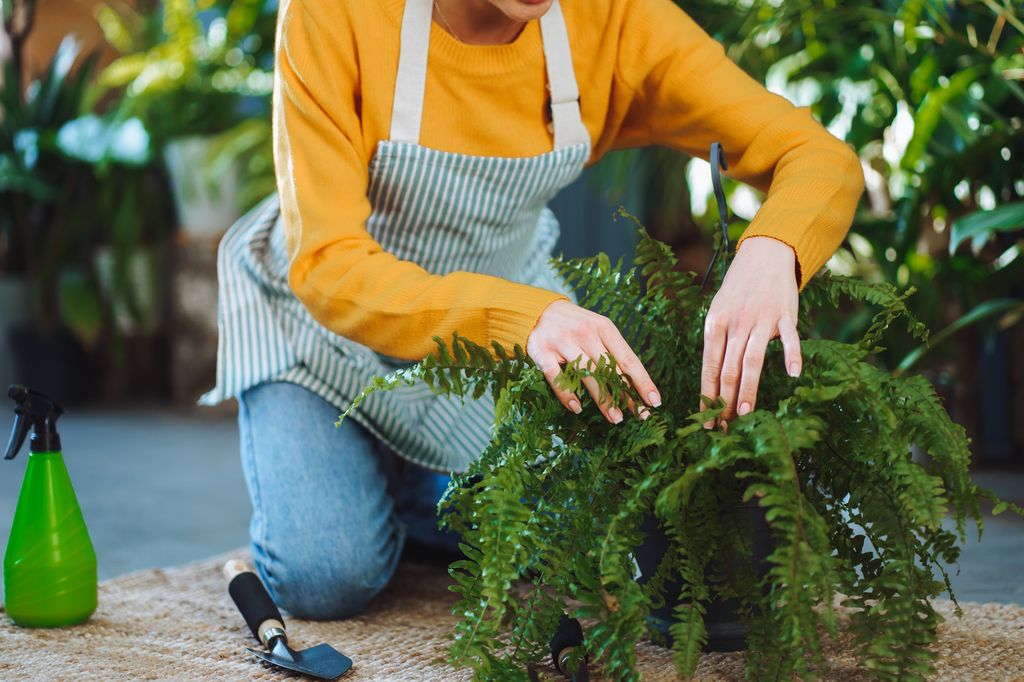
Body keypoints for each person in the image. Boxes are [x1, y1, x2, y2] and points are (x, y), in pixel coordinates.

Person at [201, 0, 864, 620]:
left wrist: (772, 249)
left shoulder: (614, 20)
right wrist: (524, 318)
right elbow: (331, 268)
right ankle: (388, 475)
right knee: (329, 574)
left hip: (500, 347)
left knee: (573, 544)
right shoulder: (333, 13)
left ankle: (414, 484)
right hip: (328, 339)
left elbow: (816, 155)